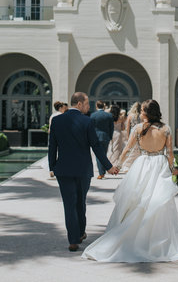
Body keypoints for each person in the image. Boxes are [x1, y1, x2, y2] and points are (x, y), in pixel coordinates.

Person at [82, 99, 178, 263]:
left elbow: (127, 149)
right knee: (159, 202)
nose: (139, 114)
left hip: (143, 165)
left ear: (147, 113)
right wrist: (173, 169)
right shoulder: (166, 129)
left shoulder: (138, 129)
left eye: (142, 111)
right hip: (159, 166)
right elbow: (170, 153)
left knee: (138, 201)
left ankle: (133, 238)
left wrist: (117, 165)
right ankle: (156, 240)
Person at [48, 91, 119, 252]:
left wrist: (52, 166)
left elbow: (52, 146)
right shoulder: (86, 121)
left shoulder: (57, 121)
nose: (88, 107)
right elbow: (96, 146)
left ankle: (73, 240)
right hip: (83, 169)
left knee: (69, 204)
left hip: (63, 169)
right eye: (87, 104)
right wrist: (109, 167)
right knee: (80, 202)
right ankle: (79, 233)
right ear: (79, 104)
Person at [90, 100, 114, 180]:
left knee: (98, 155)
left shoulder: (93, 115)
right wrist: (110, 137)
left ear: (96, 106)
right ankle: (103, 171)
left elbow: (91, 128)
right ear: (103, 106)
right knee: (104, 154)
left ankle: (101, 173)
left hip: (96, 137)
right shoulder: (109, 115)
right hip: (105, 137)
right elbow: (111, 128)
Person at [48, 101, 68, 178]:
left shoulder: (52, 115)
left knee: (52, 152)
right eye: (63, 107)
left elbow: (50, 127)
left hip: (52, 136)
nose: (64, 108)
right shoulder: (62, 115)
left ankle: (51, 169)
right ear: (60, 108)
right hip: (61, 136)